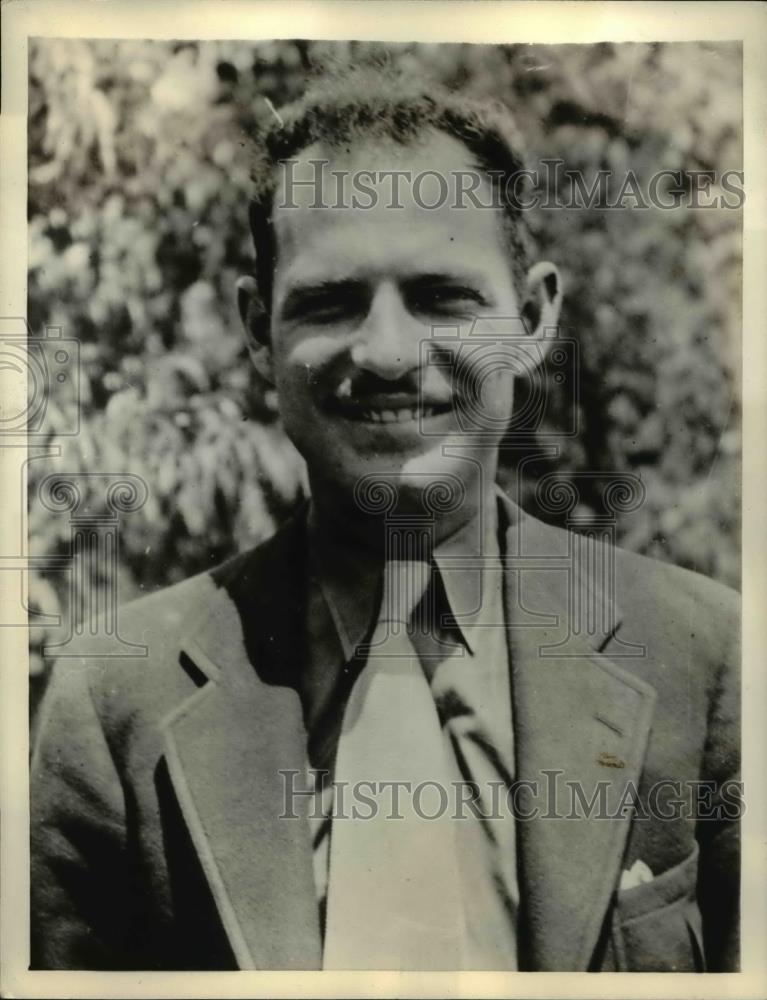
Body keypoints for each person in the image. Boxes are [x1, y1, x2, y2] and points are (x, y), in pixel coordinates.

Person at [31, 68, 740, 973]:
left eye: (445, 298)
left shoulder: (706, 658)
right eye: (330, 304)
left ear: (531, 318)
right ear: (258, 331)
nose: (388, 353)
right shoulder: (116, 697)